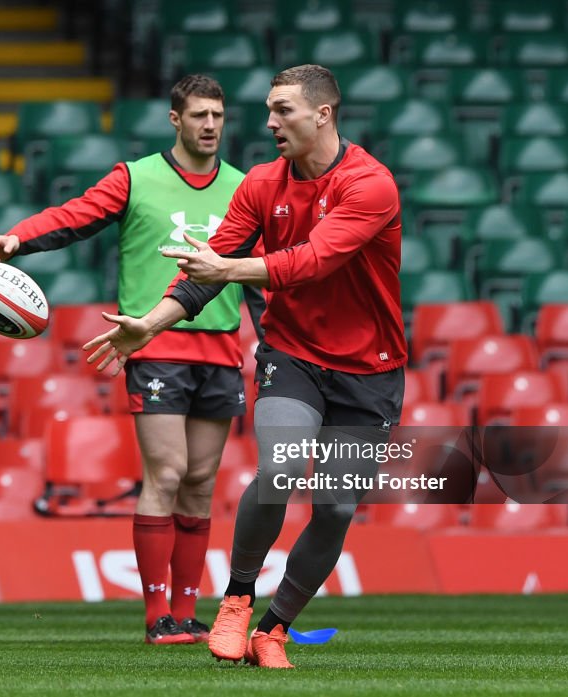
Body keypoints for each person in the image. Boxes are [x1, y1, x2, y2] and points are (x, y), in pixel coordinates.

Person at [84, 64, 406, 668]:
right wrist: (147, 327)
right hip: (294, 355)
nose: (270, 122)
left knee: (335, 508)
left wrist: (224, 269)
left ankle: (275, 628)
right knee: (281, 469)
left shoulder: (372, 185)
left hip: (371, 368)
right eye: (268, 109)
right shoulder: (260, 183)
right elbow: (208, 269)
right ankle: (236, 600)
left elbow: (308, 262)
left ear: (323, 114)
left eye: (283, 109)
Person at [0, 74, 262, 645]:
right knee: (167, 472)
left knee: (202, 482)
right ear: (175, 120)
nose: (210, 126)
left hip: (221, 347)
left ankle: (187, 613)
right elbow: (74, 215)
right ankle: (156, 615)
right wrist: (20, 238)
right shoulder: (136, 178)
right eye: (199, 115)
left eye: (218, 116)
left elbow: (265, 272)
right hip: (154, 344)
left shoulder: (245, 187)